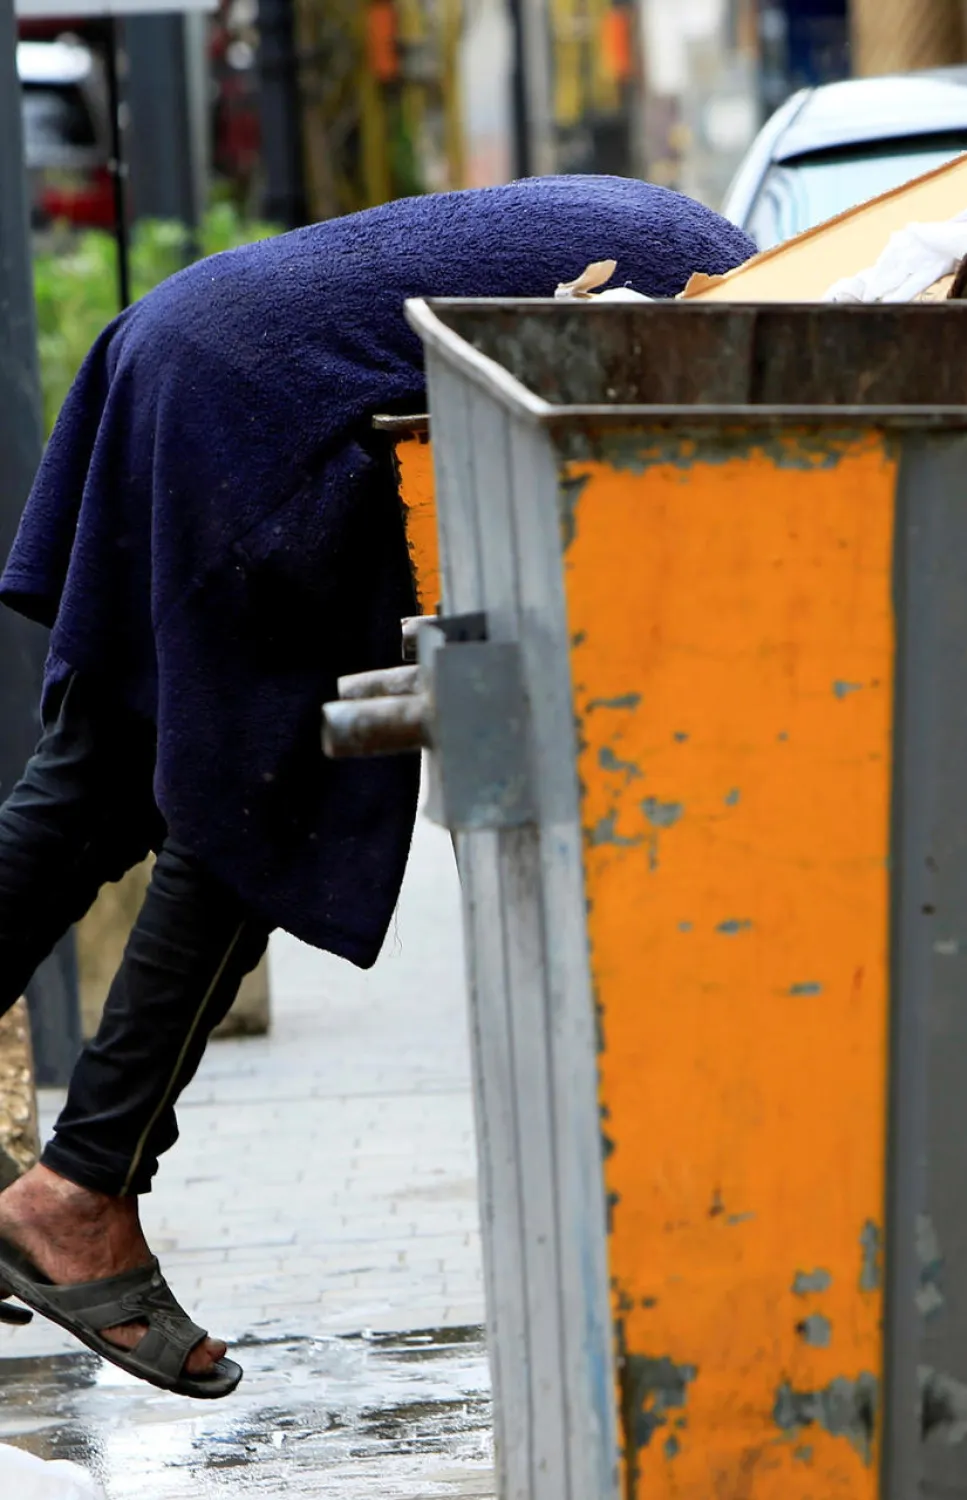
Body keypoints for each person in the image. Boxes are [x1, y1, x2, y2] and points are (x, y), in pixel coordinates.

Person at [0, 176, 756, 1398]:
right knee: (254, 801)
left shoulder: (710, 254)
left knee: (95, 786)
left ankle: (80, 1184)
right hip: (267, 407)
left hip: (192, 343)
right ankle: (79, 1197)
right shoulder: (734, 313)